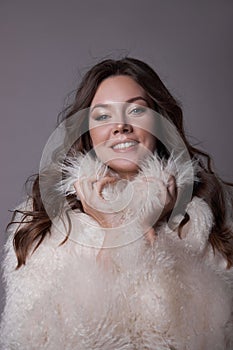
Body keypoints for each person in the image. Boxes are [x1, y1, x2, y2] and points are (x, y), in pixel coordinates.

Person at [1, 57, 233, 350]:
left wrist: (147, 227)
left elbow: (204, 338)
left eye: (137, 110)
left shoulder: (209, 217)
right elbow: (34, 341)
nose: (121, 126)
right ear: (86, 132)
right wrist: (115, 231)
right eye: (102, 116)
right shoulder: (42, 225)